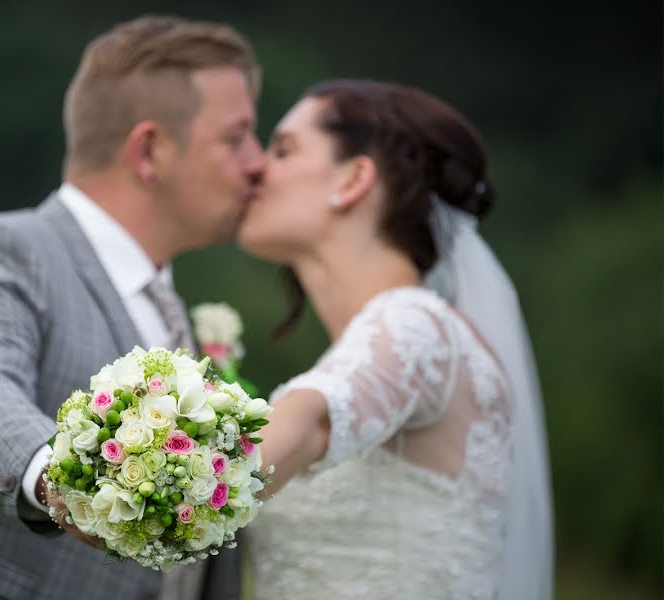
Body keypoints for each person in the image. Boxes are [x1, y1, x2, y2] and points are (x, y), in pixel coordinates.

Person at [0, 15, 264, 600]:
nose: (257, 163)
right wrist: (67, 484)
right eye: (236, 137)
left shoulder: (176, 316)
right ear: (150, 151)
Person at [237, 80, 554, 599]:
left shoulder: (416, 327)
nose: (255, 169)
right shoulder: (368, 350)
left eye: (283, 150)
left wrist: (167, 487)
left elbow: (313, 422)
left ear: (354, 178)